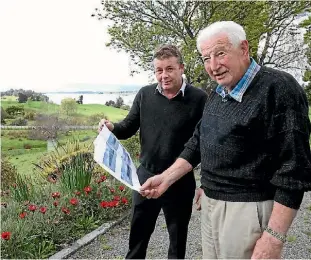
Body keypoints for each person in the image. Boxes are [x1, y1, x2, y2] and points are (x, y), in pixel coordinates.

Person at [140, 21, 311, 259]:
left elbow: (294, 169)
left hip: (247, 210)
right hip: (210, 204)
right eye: (205, 58)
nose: (213, 66)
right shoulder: (220, 92)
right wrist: (166, 179)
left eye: (220, 53)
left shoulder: (279, 88)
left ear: (243, 48)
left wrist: (274, 237)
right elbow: (199, 141)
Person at [98, 44, 207, 259]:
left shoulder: (199, 98)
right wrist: (112, 128)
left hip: (180, 180)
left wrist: (205, 182)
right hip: (145, 178)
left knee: (177, 244)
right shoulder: (145, 94)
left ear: (181, 68)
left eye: (169, 69)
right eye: (159, 70)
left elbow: (205, 143)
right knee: (137, 239)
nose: (163, 75)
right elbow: (127, 127)